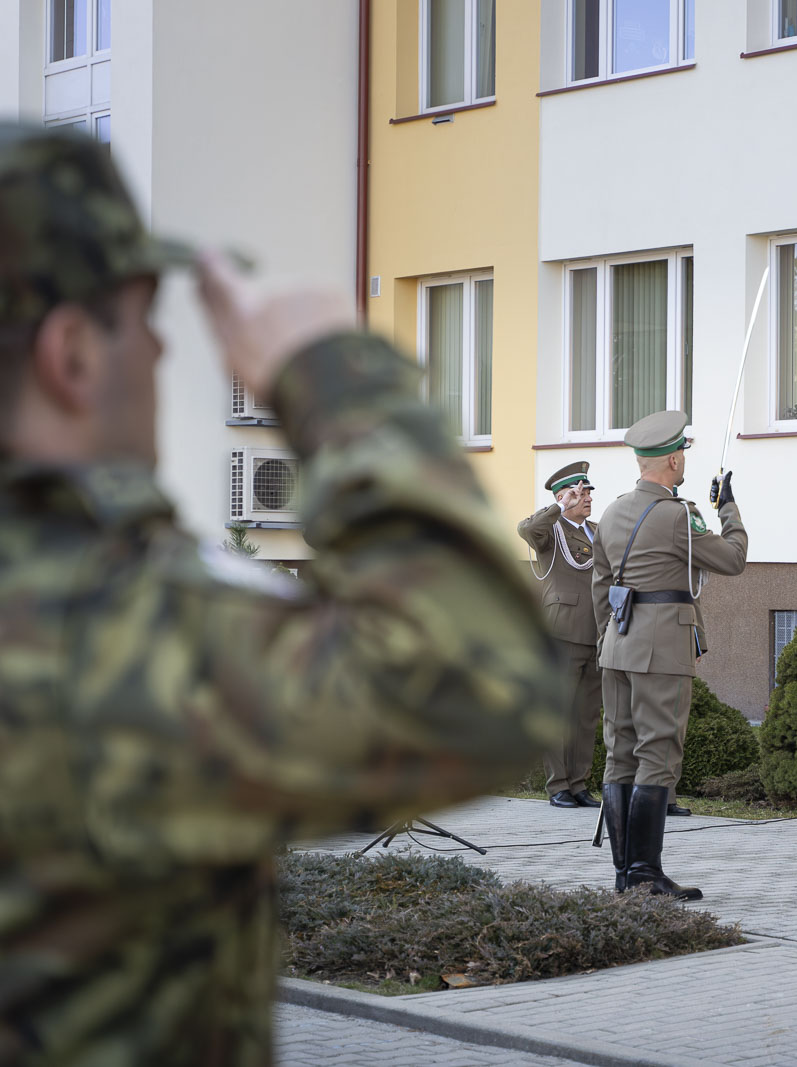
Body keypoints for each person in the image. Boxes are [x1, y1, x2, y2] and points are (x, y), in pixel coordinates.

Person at [0, 124, 569, 1065]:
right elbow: (478, 684)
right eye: (143, 321)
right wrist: (337, 381)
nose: (162, 350)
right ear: (72, 354)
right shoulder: (89, 630)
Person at [589, 411, 747, 899]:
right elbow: (733, 559)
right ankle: (645, 875)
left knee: (620, 755)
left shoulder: (611, 512)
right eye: (682, 453)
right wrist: (728, 508)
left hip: (616, 645)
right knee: (657, 754)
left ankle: (625, 875)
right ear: (674, 460)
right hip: (661, 648)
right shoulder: (678, 515)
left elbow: (600, 586)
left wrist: (608, 639)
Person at [519, 462, 605, 809]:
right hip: (564, 631)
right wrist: (560, 506)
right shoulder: (551, 531)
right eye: (580, 494)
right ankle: (558, 785)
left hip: (598, 631)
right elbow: (526, 529)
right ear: (564, 496)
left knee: (585, 715)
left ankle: (579, 783)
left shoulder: (598, 531)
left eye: (588, 493)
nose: (587, 498)